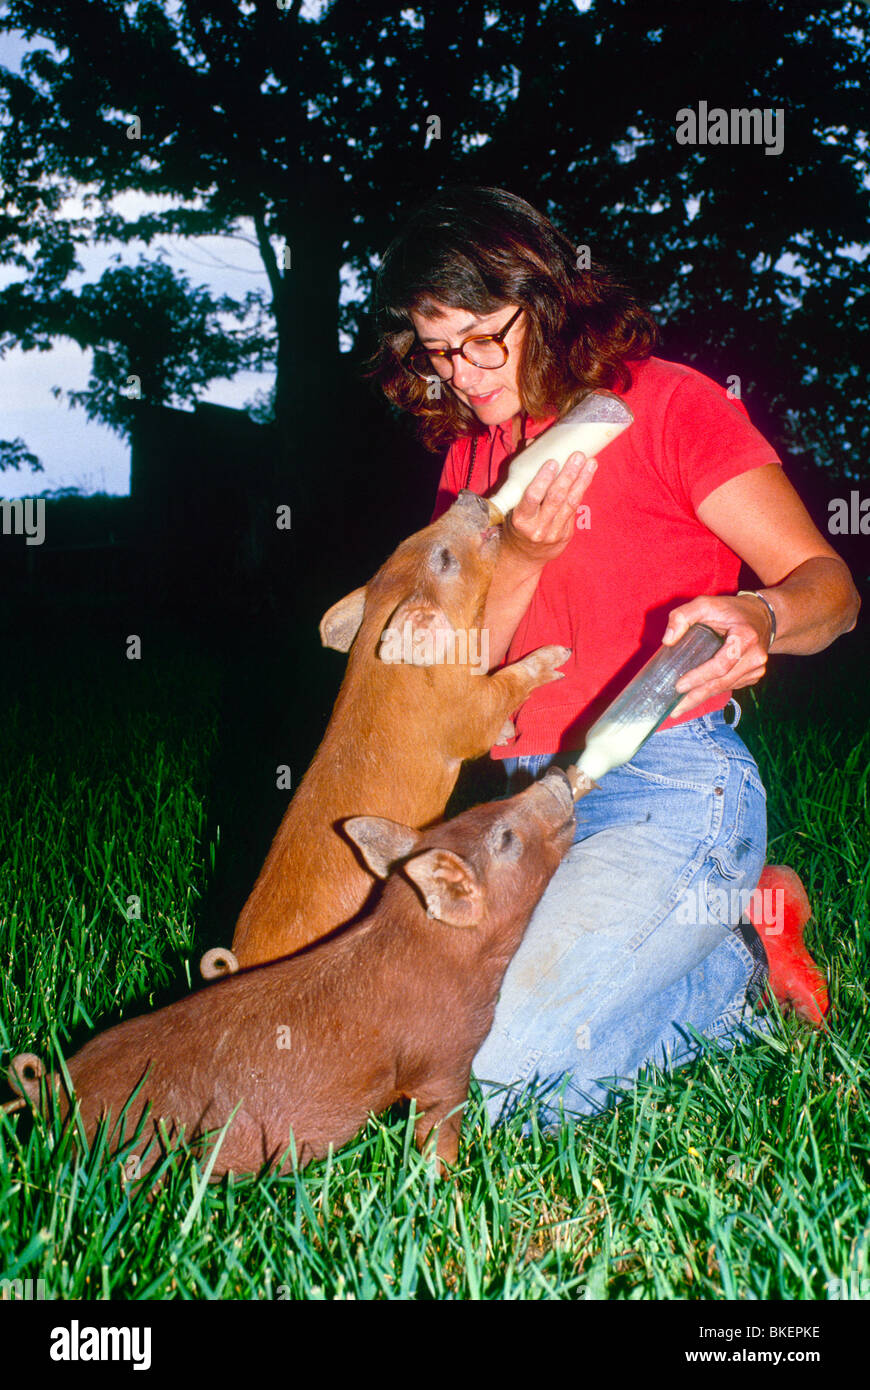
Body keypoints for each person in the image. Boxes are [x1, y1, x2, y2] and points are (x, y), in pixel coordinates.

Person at [371, 185, 860, 1127]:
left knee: (503, 1077)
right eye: (438, 351)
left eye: (483, 337)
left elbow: (830, 589)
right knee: (410, 1040)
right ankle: (729, 940)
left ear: (545, 297)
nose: (464, 374)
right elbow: (474, 656)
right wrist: (517, 556)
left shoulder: (672, 405)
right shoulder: (472, 462)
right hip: (519, 803)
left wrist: (763, 615)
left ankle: (736, 973)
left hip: (670, 780)